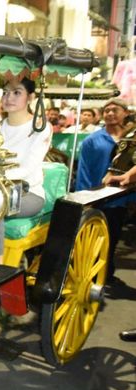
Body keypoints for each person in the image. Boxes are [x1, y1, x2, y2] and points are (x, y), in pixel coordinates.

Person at [0, 76, 51, 260]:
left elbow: (28, 168)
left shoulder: (40, 127)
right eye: (5, 92)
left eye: (17, 92)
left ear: (31, 97)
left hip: (27, 193)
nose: (8, 98)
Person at [75, 97, 131, 281]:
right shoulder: (92, 140)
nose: (110, 113)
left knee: (113, 236)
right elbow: (83, 169)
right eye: (106, 110)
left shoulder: (131, 138)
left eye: (115, 110)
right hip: (97, 197)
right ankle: (95, 273)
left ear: (126, 113)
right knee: (95, 237)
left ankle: (107, 269)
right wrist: (85, 198)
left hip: (122, 198)